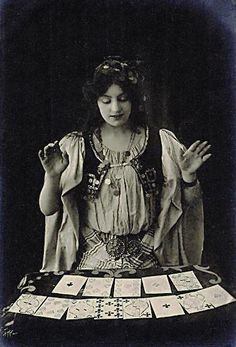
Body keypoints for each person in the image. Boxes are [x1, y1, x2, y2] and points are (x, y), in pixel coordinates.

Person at [38, 57, 211, 272]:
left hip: (148, 259)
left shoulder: (161, 143)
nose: (115, 108)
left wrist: (188, 176)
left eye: (123, 99)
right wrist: (52, 176)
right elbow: (48, 209)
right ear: (96, 101)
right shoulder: (76, 147)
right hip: (91, 262)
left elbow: (188, 205)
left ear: (134, 100)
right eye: (106, 100)